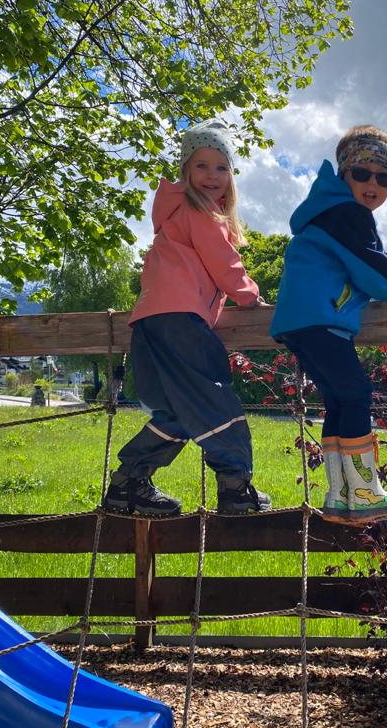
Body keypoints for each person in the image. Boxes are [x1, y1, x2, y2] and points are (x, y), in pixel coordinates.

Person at [102, 119, 271, 517]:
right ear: (185, 171)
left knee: (175, 411)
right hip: (180, 320)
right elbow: (224, 262)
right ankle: (235, 487)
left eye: (221, 167)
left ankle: (127, 485)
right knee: (213, 396)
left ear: (231, 176)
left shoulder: (172, 219)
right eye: (202, 166)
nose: (212, 176)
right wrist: (249, 296)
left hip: (149, 323)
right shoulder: (199, 211)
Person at [270, 125, 387, 523]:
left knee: (339, 399)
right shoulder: (348, 214)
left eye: (384, 178)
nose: (373, 184)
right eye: (362, 173)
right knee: (357, 393)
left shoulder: (324, 213)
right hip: (321, 318)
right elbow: (374, 272)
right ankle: (365, 494)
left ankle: (340, 495)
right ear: (344, 173)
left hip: (303, 322)